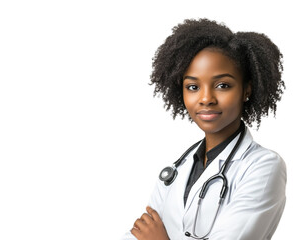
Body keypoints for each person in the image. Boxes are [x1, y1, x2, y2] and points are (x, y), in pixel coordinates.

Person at [122, 18, 286, 240]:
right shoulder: (175, 171)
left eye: (222, 85)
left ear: (246, 89)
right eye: (193, 87)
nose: (206, 98)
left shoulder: (263, 167)